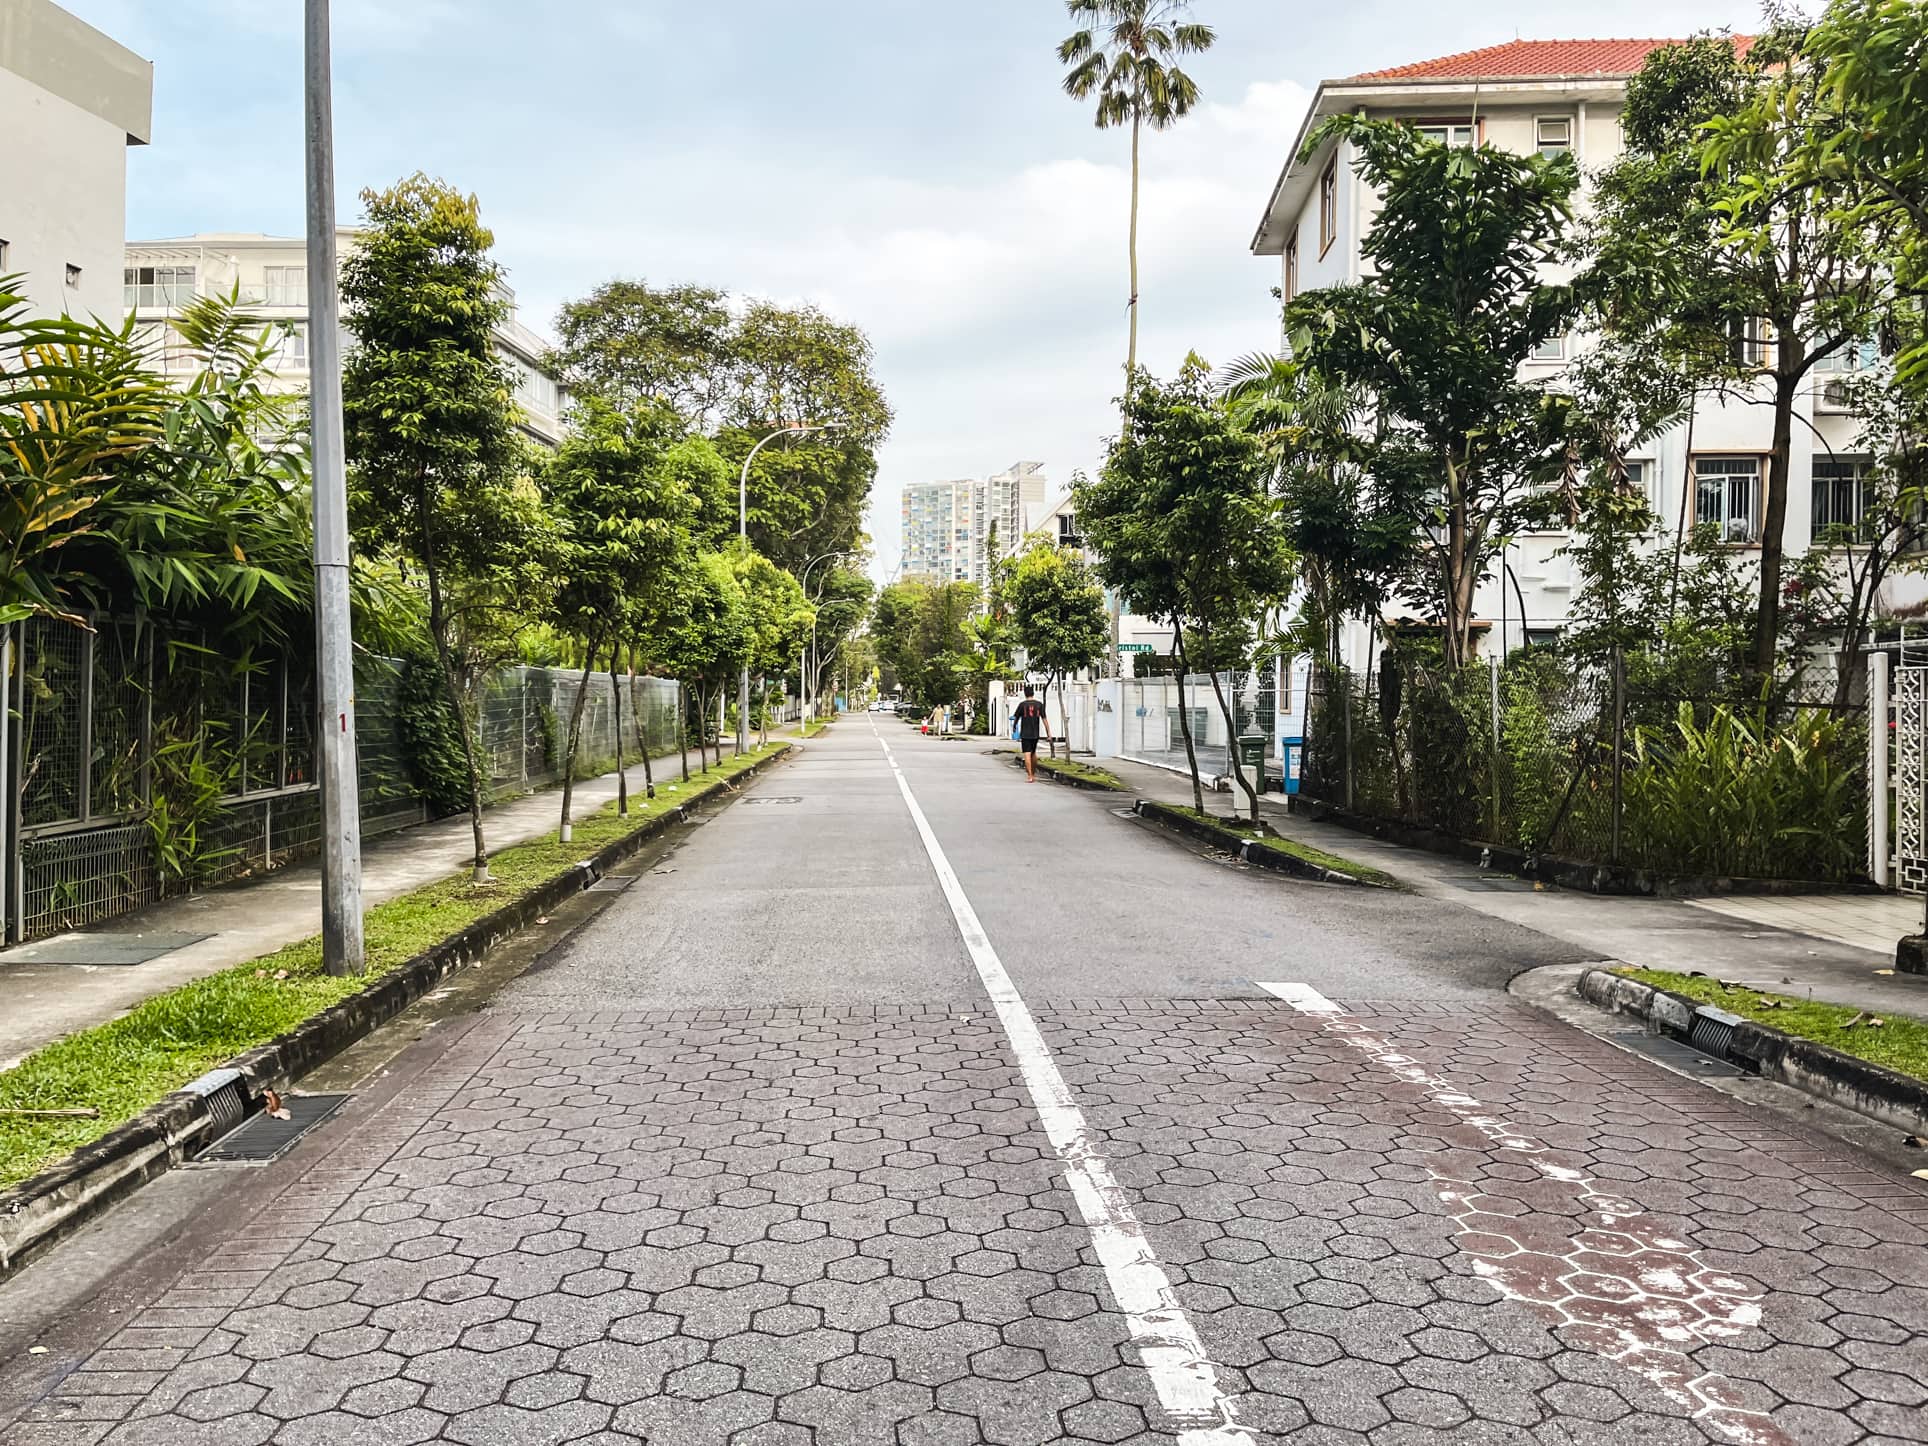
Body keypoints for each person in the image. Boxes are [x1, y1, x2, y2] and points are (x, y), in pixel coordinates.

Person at [1012, 685, 1047, 782]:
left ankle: (1030, 776)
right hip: (1035, 733)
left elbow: (1016, 718)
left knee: (1027, 754)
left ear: (1025, 694)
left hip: (1025, 733)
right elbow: (1044, 719)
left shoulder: (1022, 705)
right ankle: (1034, 773)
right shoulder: (1039, 704)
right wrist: (1049, 733)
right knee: (1034, 753)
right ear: (1033, 693)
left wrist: (1014, 727)